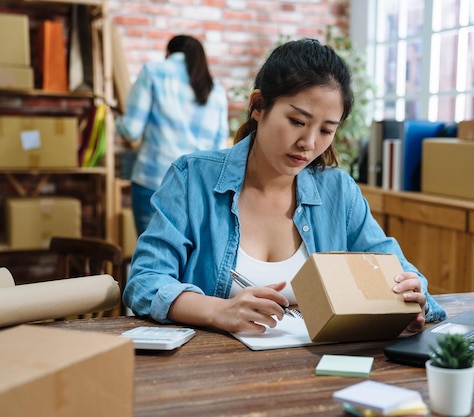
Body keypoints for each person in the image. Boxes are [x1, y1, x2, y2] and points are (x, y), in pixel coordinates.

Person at [123, 38, 447, 334]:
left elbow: (401, 272)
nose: (308, 143)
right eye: (297, 121)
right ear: (259, 105)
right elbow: (145, 281)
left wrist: (411, 293)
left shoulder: (339, 193)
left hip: (313, 373)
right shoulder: (191, 178)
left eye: (326, 130)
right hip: (209, 375)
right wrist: (219, 311)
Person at [115, 34, 229, 235]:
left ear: (168, 53)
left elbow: (131, 131)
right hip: (197, 191)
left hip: (153, 183)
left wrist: (117, 119)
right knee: (187, 263)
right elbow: (220, 150)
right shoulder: (216, 90)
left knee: (153, 261)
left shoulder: (153, 72)